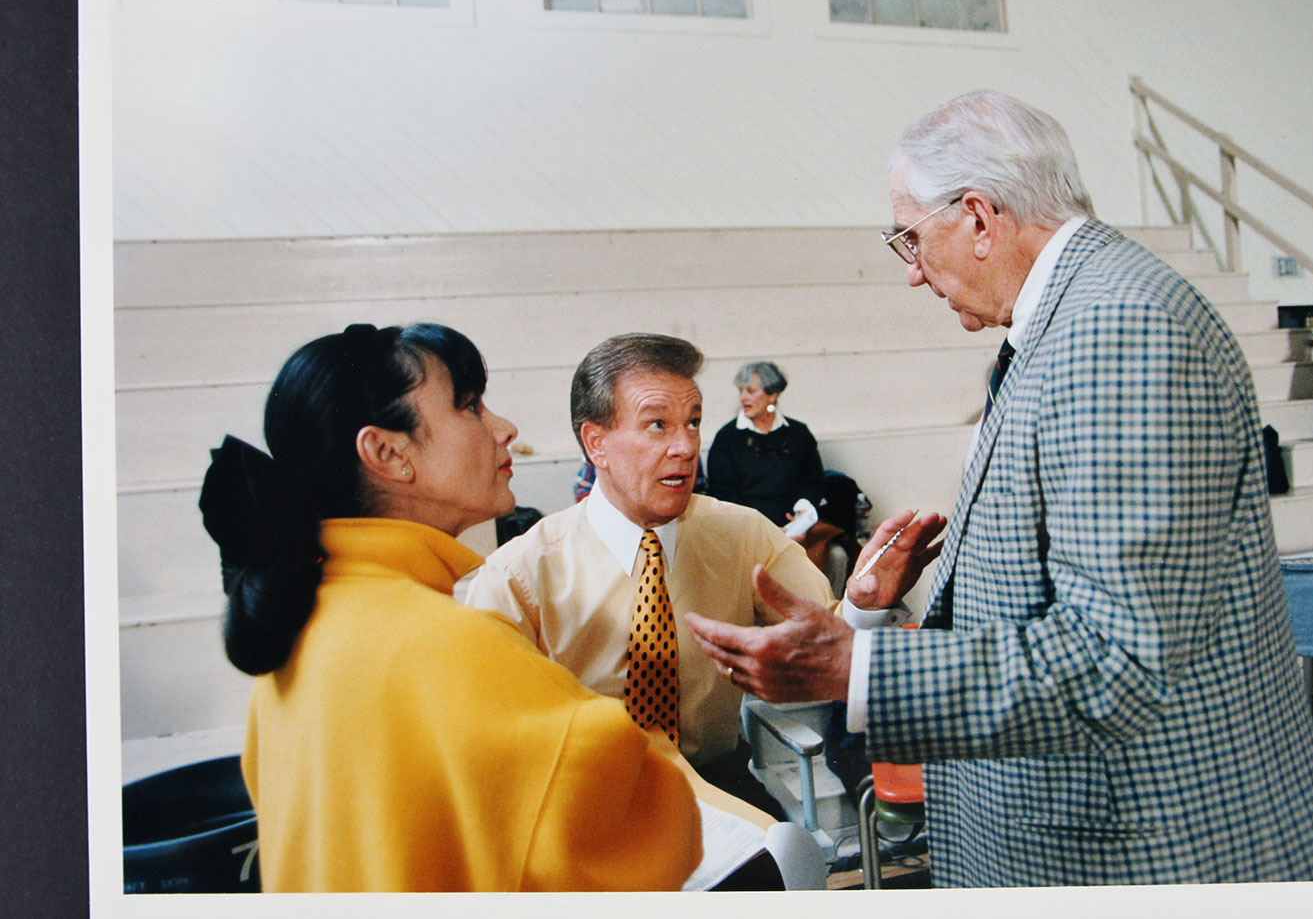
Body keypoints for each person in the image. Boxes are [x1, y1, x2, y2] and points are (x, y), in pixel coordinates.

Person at [685, 90, 1313, 886]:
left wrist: (854, 670)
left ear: (977, 217)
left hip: (1138, 857)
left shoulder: (1120, 327)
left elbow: (1116, 658)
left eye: (910, 238)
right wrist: (872, 621)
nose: (910, 273)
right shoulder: (1073, 318)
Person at [198, 322, 701, 892]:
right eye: (469, 406)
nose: (505, 429)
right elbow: (647, 834)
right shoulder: (452, 645)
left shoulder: (303, 625)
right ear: (388, 452)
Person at [464, 332, 943, 815]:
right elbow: (489, 744)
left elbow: (824, 637)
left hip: (717, 783)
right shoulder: (520, 576)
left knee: (782, 867)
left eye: (693, 423)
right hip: (585, 799)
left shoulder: (742, 535)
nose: (686, 447)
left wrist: (863, 605)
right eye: (657, 425)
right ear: (596, 443)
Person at [706, 361, 826, 531]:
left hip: (795, 523)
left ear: (772, 394)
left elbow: (813, 482)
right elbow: (723, 495)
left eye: (751, 391)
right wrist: (764, 529)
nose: (743, 397)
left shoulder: (798, 433)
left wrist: (801, 516)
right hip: (747, 527)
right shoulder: (727, 437)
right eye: (741, 391)